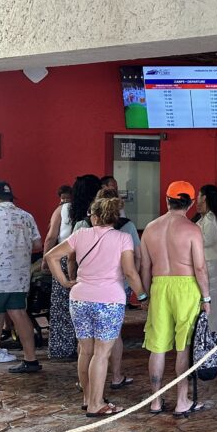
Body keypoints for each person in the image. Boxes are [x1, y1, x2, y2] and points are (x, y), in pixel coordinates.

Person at [44, 196, 148, 417]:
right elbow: (129, 272)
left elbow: (51, 256)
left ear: (97, 216)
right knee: (101, 353)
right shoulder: (122, 238)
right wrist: (141, 295)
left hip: (80, 298)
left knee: (86, 350)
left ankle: (87, 398)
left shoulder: (80, 234)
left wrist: (64, 282)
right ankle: (96, 403)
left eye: (91, 214)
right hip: (109, 300)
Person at [141, 181, 210, 417]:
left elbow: (145, 266)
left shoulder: (150, 228)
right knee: (184, 346)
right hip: (186, 286)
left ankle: (156, 401)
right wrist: (207, 297)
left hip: (159, 285)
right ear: (190, 203)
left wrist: (145, 295)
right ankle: (182, 400)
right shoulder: (192, 229)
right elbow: (200, 267)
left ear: (167, 200)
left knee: (157, 347)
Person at [73, 188, 140, 390]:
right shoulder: (126, 229)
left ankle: (86, 389)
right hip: (113, 292)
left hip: (82, 292)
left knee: (85, 348)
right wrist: (141, 293)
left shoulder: (81, 227)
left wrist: (70, 280)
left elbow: (60, 256)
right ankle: (115, 377)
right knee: (108, 342)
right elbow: (134, 262)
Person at [0, 181, 43, 373]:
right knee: (16, 312)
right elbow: (37, 244)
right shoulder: (26, 216)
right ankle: (29, 358)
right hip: (19, 275)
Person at [48, 174, 100, 359]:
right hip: (90, 260)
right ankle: (89, 347)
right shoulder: (98, 209)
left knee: (64, 308)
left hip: (64, 259)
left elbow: (51, 237)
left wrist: (47, 266)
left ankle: (62, 348)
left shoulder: (64, 209)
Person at [194, 185, 217, 335]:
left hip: (211, 265)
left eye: (198, 195)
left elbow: (207, 240)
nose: (196, 199)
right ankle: (214, 333)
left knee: (212, 302)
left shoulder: (210, 220)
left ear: (204, 198)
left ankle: (214, 334)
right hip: (214, 264)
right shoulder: (208, 218)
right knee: (213, 301)